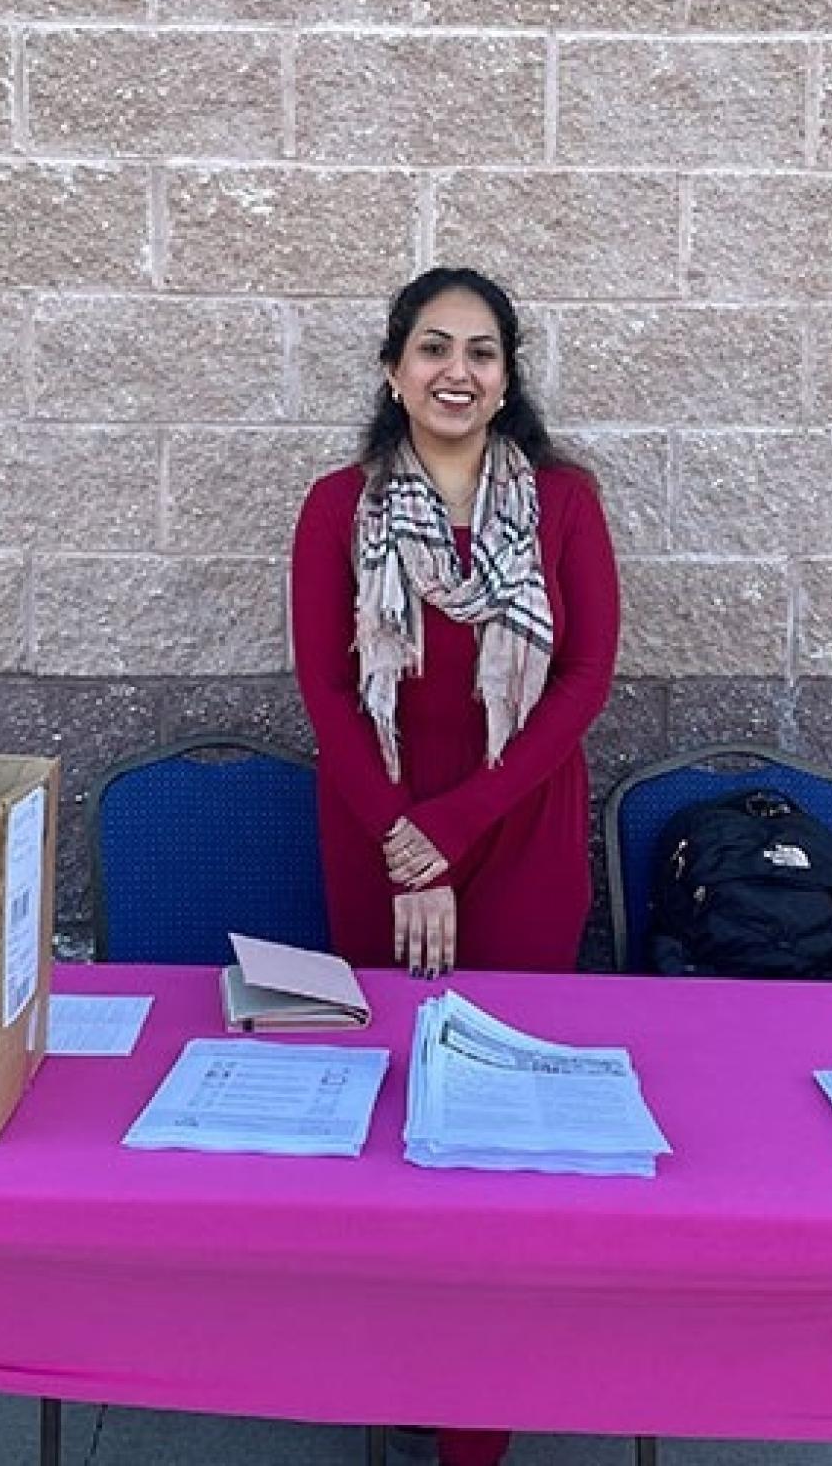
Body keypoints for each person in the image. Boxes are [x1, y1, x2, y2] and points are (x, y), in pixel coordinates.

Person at [288, 266, 622, 1464]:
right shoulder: (338, 506)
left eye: (482, 352)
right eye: (432, 348)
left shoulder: (565, 506)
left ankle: (478, 1417)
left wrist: (454, 826)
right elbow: (327, 689)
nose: (456, 371)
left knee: (502, 1131)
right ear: (392, 370)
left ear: (506, 378)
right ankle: (395, 1359)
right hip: (374, 840)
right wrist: (402, 843)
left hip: (519, 840)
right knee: (387, 1115)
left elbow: (582, 679)